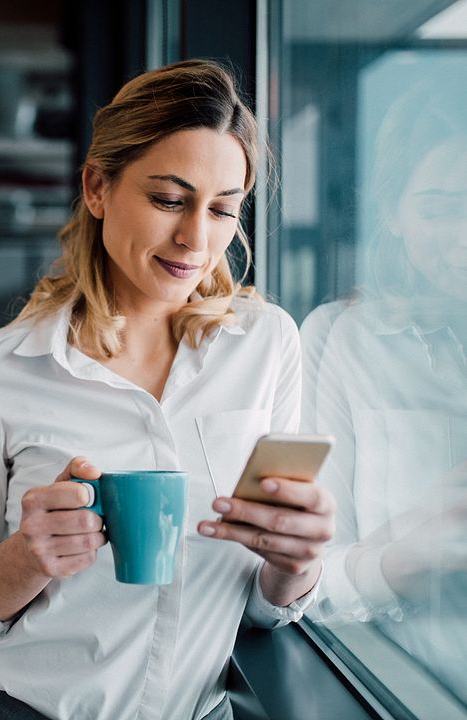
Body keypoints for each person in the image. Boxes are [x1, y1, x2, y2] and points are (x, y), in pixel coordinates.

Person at [0, 59, 335, 720]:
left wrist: (296, 563)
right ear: (96, 188)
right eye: (169, 199)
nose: (196, 240)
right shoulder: (2, 368)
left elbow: (262, 604)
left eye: (223, 209)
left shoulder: (267, 345)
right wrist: (28, 560)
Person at [301, 64, 467, 703]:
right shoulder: (342, 339)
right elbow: (304, 583)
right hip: (394, 686)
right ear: (393, 213)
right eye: (437, 211)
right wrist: (413, 551)